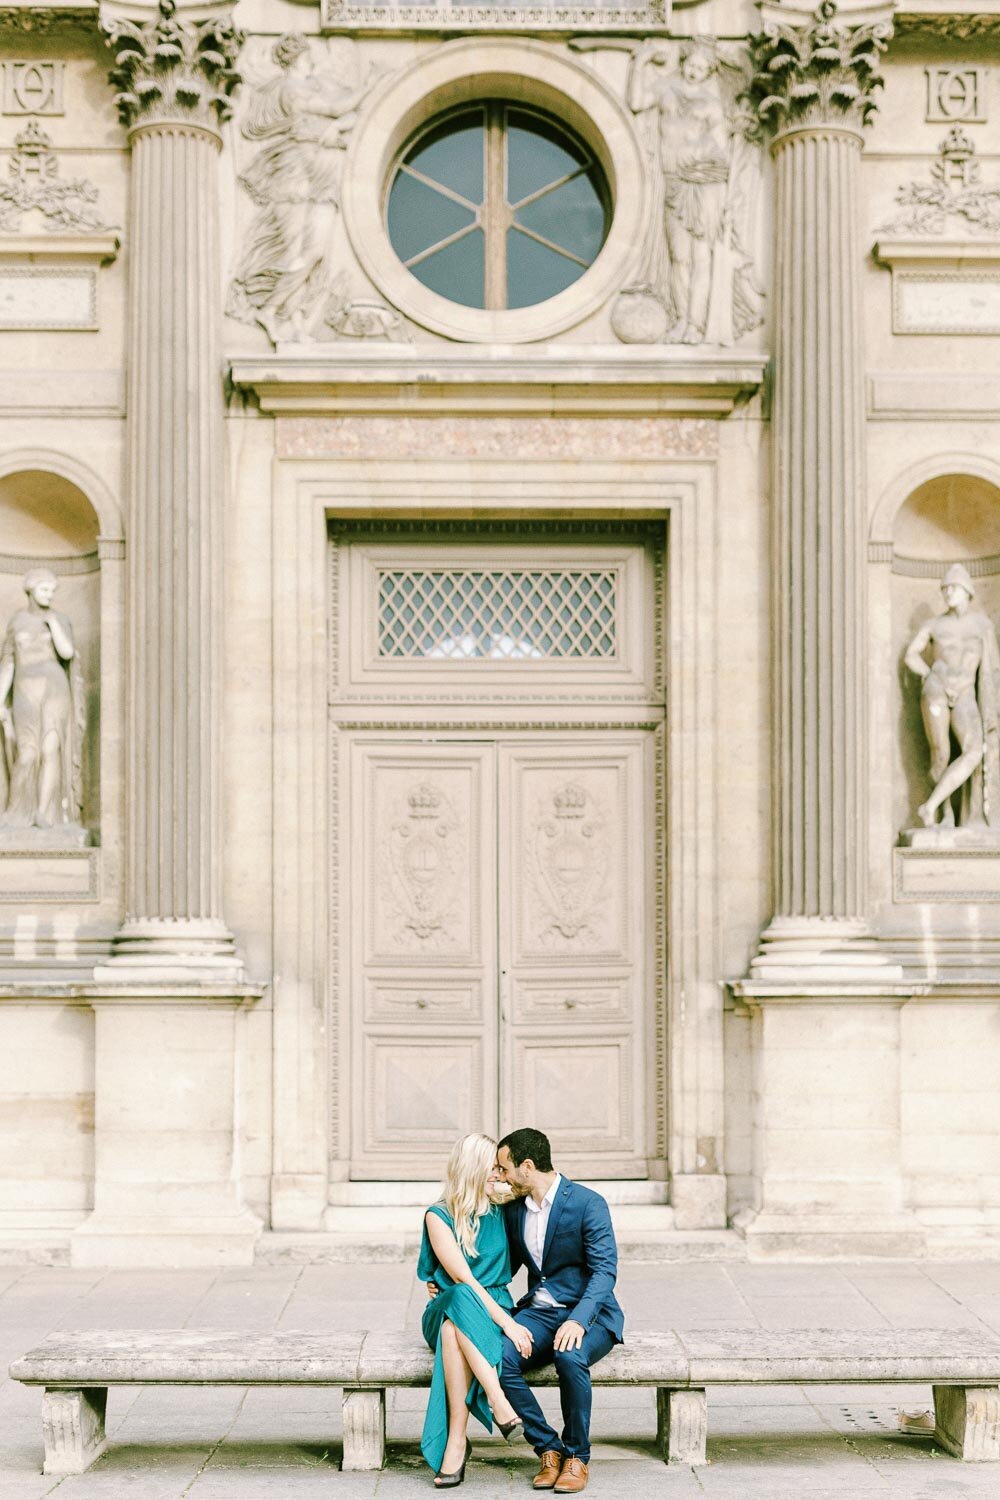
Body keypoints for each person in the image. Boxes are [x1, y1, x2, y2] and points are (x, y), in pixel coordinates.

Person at [496, 1128, 624, 1495]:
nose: (501, 1177)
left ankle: (577, 1456)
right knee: (499, 1357)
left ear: (527, 1167)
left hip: (592, 1313)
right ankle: (548, 1448)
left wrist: (578, 1320)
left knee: (569, 1356)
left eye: (504, 1169)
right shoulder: (513, 1211)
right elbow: (503, 1267)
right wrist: (451, 1280)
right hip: (539, 1312)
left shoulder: (587, 1203)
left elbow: (605, 1272)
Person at [418, 1133, 531, 1487]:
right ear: (472, 1170)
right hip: (450, 1304)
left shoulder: (505, 1209)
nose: (500, 1175)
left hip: (483, 1310)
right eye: (493, 1168)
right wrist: (508, 1325)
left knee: (455, 1330)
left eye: (501, 1168)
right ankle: (498, 1400)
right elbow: (461, 1277)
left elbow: (541, 1185)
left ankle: (455, 1440)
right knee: (461, 1296)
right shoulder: (438, 1216)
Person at [904, 563, 1000, 829]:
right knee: (941, 755)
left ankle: (930, 805)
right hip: (936, 691)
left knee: (973, 751)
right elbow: (911, 654)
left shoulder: (982, 625)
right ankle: (944, 814)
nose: (947, 592)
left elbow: (993, 668)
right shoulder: (934, 624)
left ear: (967, 590)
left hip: (966, 693)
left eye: (953, 587)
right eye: (944, 588)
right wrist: (927, 674)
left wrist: (994, 707)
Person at [0, 568, 84, 832]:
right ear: (31, 589)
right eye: (44, 589)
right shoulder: (17, 621)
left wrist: (53, 625)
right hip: (25, 690)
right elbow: (8, 665)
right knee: (26, 753)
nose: (49, 595)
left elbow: (67, 653)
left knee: (50, 750)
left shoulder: (59, 618)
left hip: (54, 688)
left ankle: (44, 812)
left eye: (52, 590)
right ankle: (16, 814)